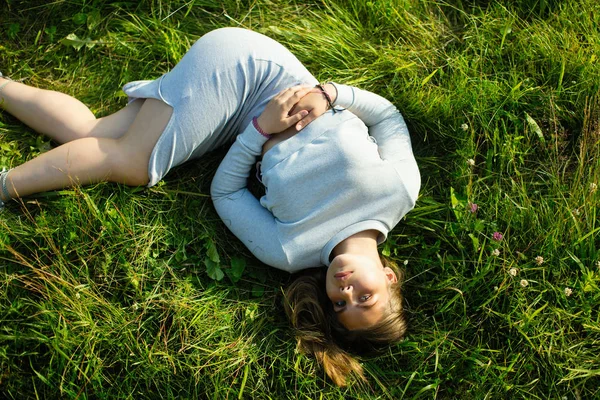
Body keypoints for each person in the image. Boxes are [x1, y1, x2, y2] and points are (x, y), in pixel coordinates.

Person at [0, 27, 420, 385]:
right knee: (132, 163)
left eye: (339, 305)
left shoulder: (290, 251)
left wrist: (260, 131)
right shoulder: (399, 192)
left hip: (240, 118)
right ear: (388, 277)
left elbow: (226, 194)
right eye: (364, 298)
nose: (344, 291)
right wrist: (328, 94)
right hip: (255, 72)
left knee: (89, 132)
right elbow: (387, 117)